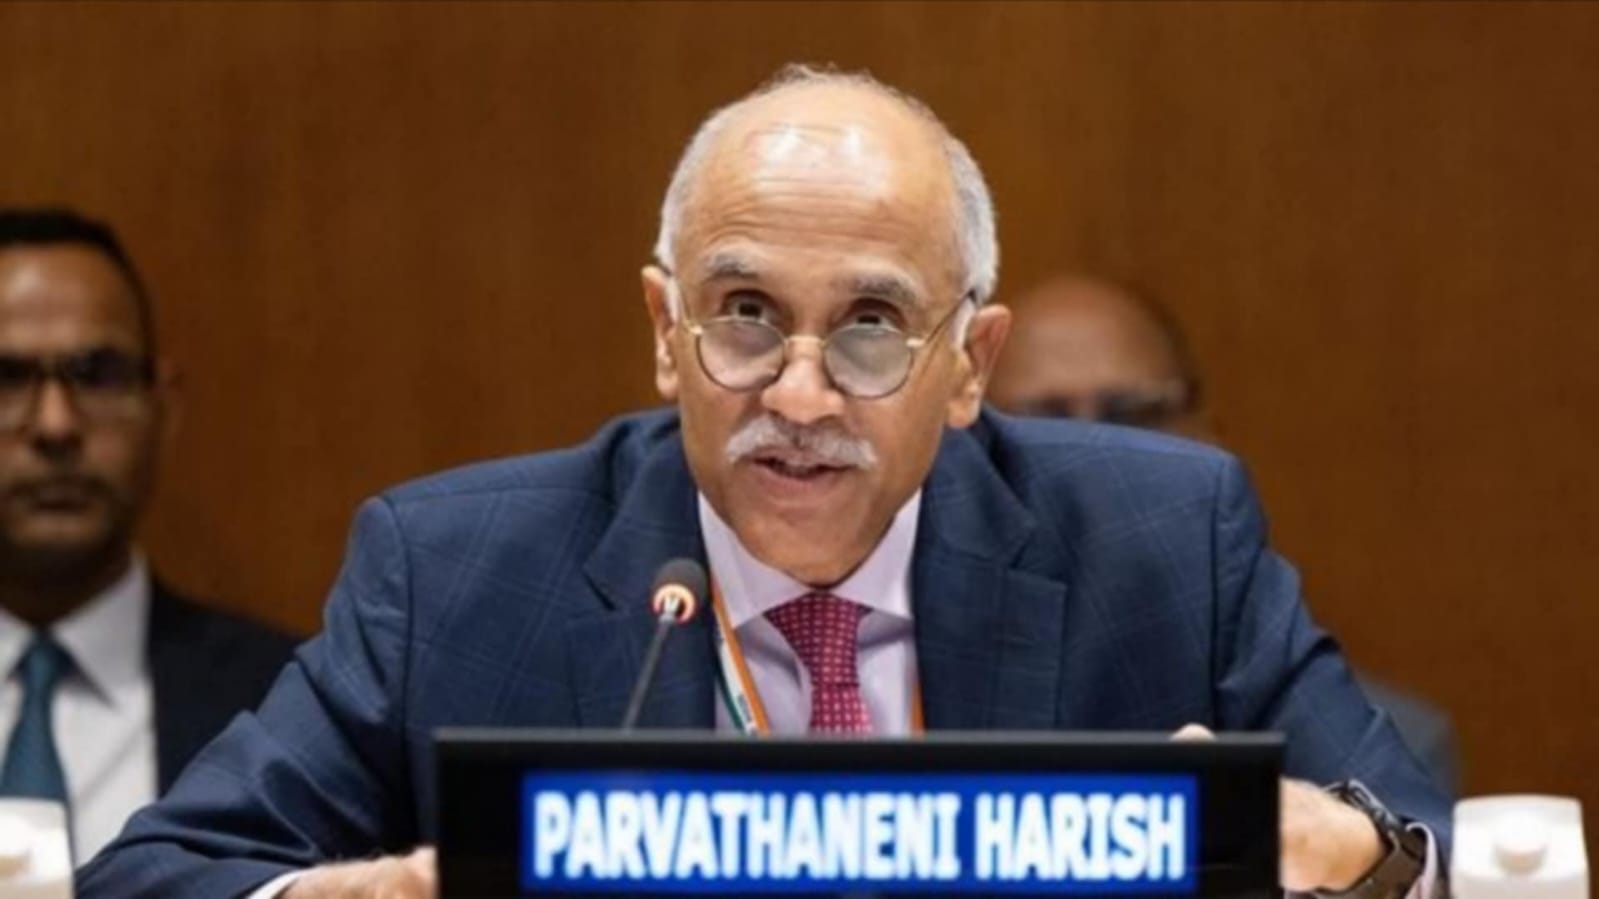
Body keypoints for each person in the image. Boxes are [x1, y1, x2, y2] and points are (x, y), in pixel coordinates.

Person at [80, 66, 1449, 899]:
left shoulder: (1162, 542)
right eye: (744, 315)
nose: (797, 394)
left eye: (870, 325)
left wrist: (1357, 857)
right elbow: (150, 873)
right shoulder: (455, 575)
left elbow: (1422, 843)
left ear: (969, 364)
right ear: (662, 331)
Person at [989, 273, 1460, 792]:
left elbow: (1406, 825)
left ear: (1209, 435)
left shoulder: (1376, 758)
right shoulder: (926, 682)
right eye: (1043, 426)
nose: (1098, 458)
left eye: (1136, 414)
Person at [0, 209, 299, 861]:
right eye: (8, 378)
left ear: (163, 408)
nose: (56, 425)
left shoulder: (288, 704)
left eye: (97, 374)